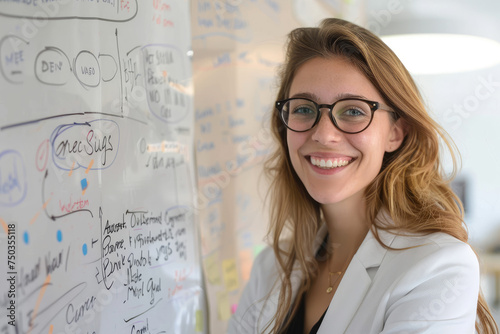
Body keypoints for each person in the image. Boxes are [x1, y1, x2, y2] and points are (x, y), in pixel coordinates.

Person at [227, 18, 499, 334]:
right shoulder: (272, 268)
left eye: (354, 111)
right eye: (303, 109)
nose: (324, 134)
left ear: (394, 133)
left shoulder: (438, 266)